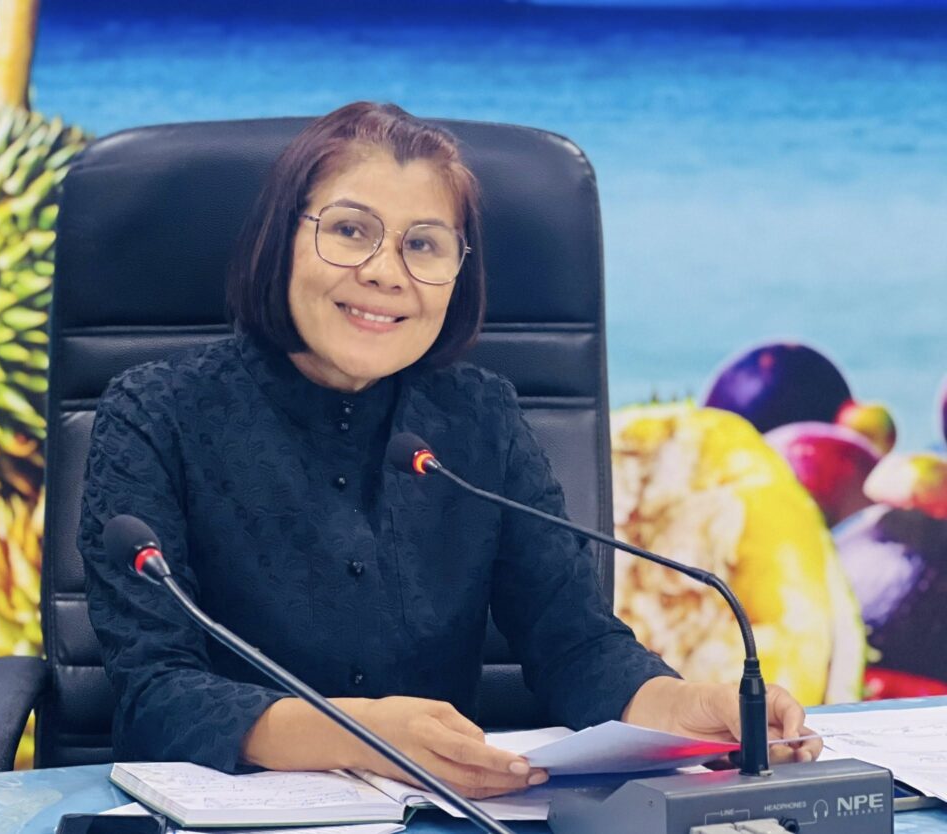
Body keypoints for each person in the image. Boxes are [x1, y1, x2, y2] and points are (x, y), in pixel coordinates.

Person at [77, 101, 821, 800]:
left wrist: (684, 709)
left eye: (423, 245)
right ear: (282, 239)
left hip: (442, 814)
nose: (385, 272)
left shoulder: (479, 418)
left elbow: (575, 645)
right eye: (350, 231)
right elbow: (155, 694)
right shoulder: (155, 413)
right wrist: (365, 736)